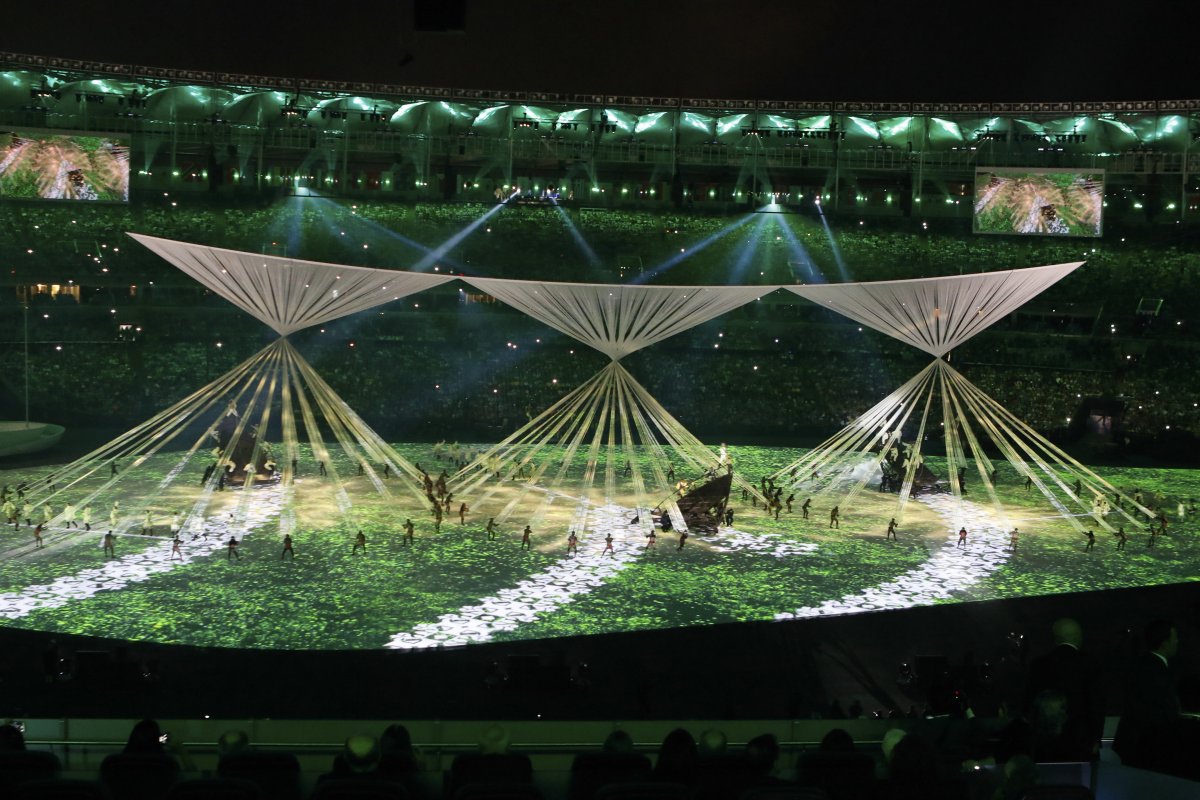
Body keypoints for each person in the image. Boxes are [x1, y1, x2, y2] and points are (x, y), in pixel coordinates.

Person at [1113, 620, 1182, 769]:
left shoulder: (1139, 665)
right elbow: (1166, 713)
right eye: (1174, 637)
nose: (1177, 641)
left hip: (1132, 745)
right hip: (1151, 748)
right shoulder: (1159, 673)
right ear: (1164, 643)